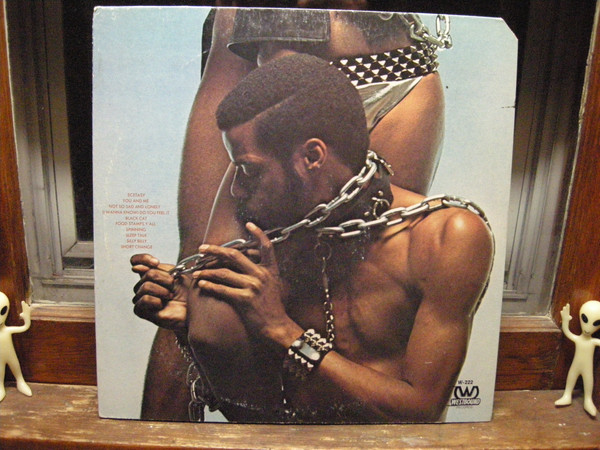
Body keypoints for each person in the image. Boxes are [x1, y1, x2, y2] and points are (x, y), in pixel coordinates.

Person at [132, 54, 493, 423]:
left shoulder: (445, 237)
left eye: (249, 170)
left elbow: (422, 411)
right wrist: (198, 329)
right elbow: (265, 415)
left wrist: (283, 331)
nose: (236, 190)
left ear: (312, 156)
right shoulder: (273, 242)